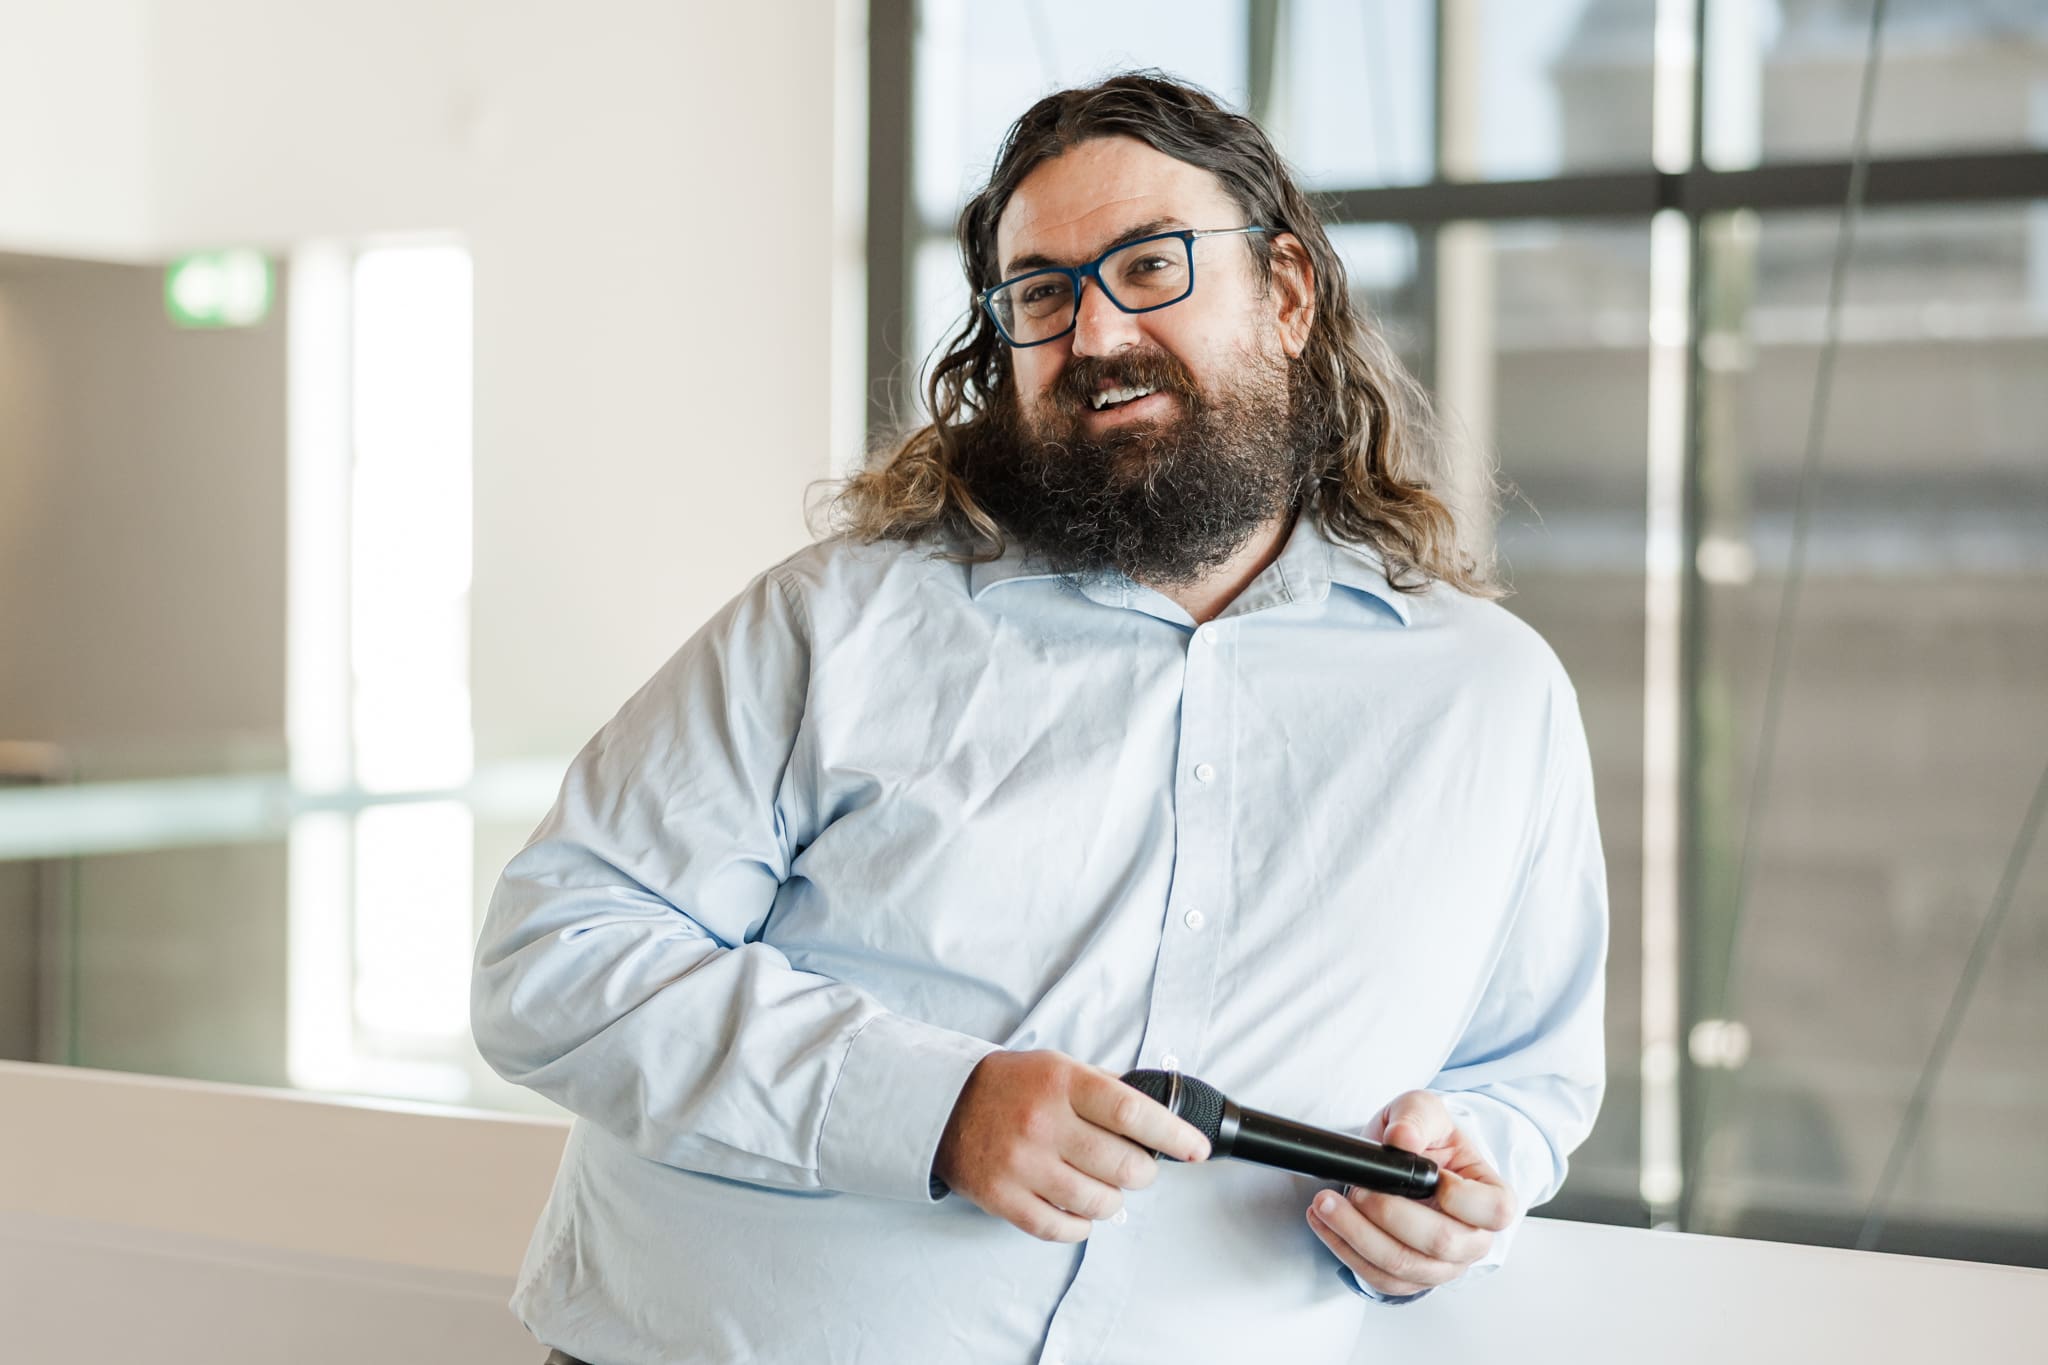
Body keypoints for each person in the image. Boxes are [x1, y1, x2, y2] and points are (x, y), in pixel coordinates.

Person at [472, 71, 1607, 1365]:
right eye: (1044, 294)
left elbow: (1528, 1073)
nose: (1099, 334)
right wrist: (935, 1106)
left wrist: (1468, 1183)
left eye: (1151, 266)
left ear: (1286, 294)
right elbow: (550, 956)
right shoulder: (836, 627)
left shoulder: (1493, 699)